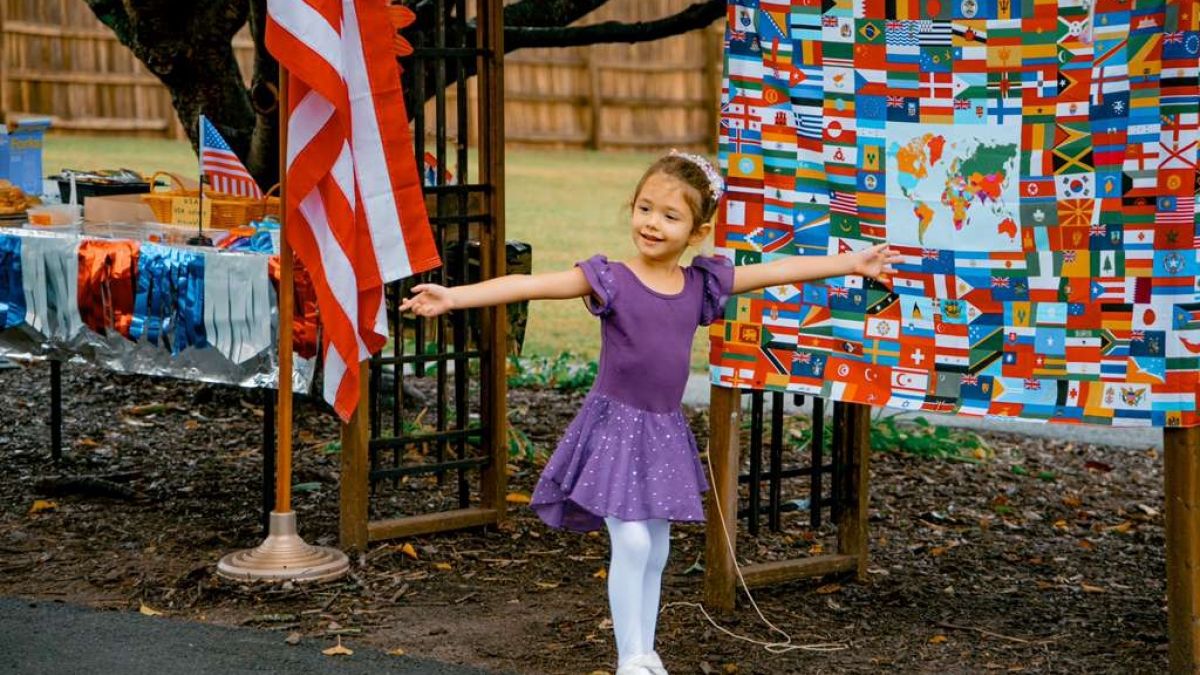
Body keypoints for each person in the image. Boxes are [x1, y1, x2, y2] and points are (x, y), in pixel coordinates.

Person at [400, 152, 899, 675]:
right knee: (633, 540)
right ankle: (628, 658)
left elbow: (777, 271)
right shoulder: (610, 279)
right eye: (644, 208)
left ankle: (646, 651)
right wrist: (453, 297)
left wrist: (851, 263)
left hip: (662, 431)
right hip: (614, 429)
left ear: (697, 232)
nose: (652, 224)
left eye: (669, 216)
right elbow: (531, 285)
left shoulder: (700, 285)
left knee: (656, 548)